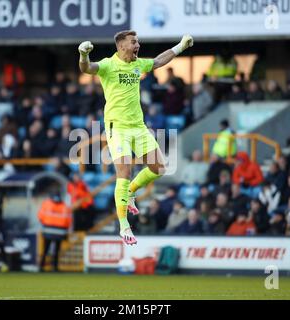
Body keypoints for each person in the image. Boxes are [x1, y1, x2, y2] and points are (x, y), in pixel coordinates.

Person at [78, 30, 193, 245]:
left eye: (137, 41)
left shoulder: (138, 64)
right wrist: (83, 54)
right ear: (121, 46)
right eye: (134, 42)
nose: (137, 45)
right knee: (125, 170)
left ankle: (130, 191)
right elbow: (87, 68)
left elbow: (158, 61)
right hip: (117, 128)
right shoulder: (108, 65)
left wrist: (180, 46)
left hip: (138, 126)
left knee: (159, 168)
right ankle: (124, 226)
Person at [38, 192, 72, 272]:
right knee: (56, 251)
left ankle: (41, 266)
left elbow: (40, 216)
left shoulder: (46, 204)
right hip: (60, 232)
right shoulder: (65, 206)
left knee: (45, 250)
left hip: (48, 230)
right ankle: (55, 267)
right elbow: (68, 220)